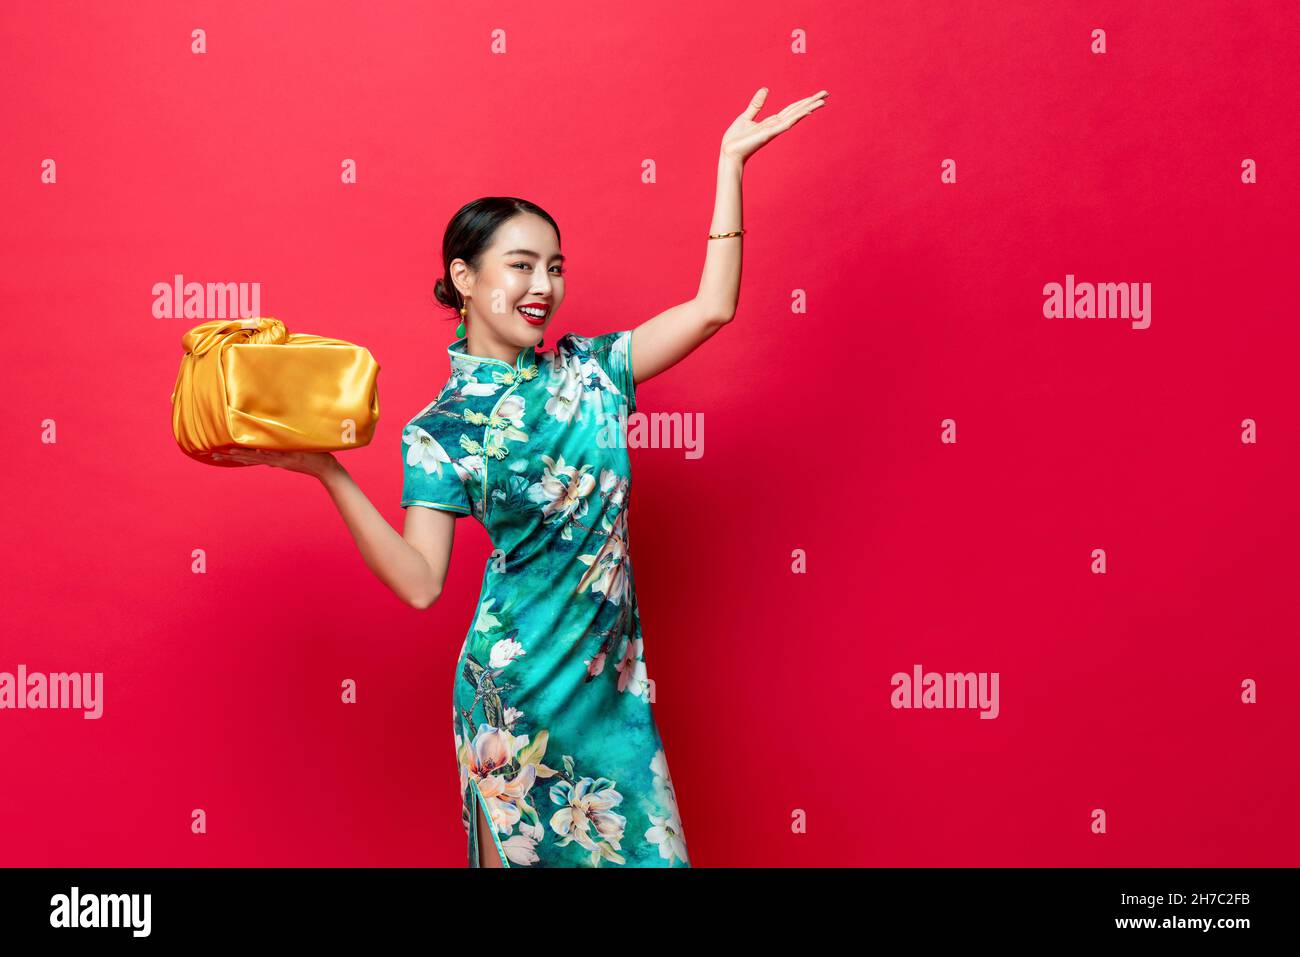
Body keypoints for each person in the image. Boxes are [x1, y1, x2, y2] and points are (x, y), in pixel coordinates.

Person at [218, 87, 829, 866]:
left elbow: (713, 308)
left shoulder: (594, 372)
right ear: (464, 278)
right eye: (521, 265)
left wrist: (729, 163)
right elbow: (419, 582)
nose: (544, 285)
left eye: (555, 267)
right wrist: (327, 472)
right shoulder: (440, 430)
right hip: (511, 701)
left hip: (613, 700)